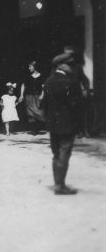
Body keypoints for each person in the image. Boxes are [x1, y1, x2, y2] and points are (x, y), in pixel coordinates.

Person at [43, 57, 83, 195]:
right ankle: (60, 187)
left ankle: (57, 184)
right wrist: (79, 125)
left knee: (56, 153)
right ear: (62, 65)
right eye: (70, 65)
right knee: (64, 153)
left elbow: (45, 105)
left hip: (53, 124)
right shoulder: (71, 82)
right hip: (68, 124)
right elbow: (76, 105)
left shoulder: (48, 81)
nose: (72, 67)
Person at [20, 60, 46, 134]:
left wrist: (42, 94)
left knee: (39, 112)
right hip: (29, 96)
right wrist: (21, 95)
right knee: (30, 113)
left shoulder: (41, 76)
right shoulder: (27, 76)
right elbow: (23, 85)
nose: (29, 68)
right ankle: (34, 130)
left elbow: (43, 86)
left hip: (38, 97)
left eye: (30, 66)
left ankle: (38, 128)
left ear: (35, 67)